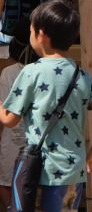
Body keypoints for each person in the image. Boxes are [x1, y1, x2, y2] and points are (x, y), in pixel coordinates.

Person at [0, 0, 92, 212]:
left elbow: (9, 119)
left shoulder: (31, 72)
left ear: (41, 34)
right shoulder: (82, 75)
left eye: (31, 30)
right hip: (73, 173)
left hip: (40, 172)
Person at [0, 54, 26, 209]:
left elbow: (6, 114)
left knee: (6, 180)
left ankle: (11, 208)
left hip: (12, 135)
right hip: (39, 139)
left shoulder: (8, 72)